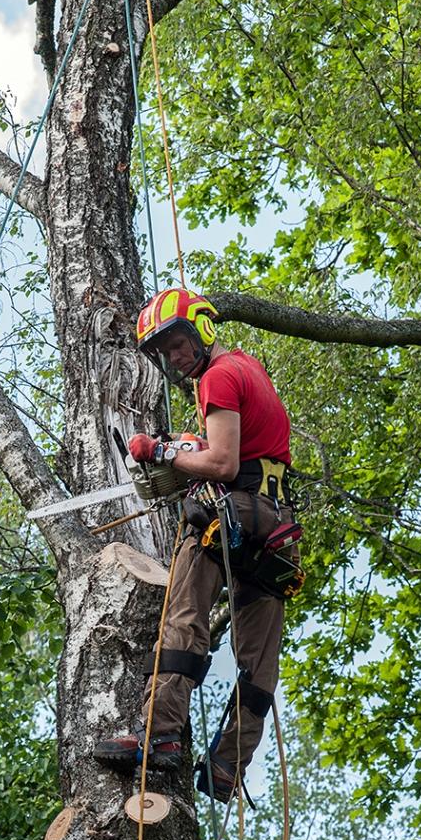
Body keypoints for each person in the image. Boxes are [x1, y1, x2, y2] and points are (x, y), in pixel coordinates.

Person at [93, 287, 300, 803]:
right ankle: (229, 765)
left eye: (179, 343)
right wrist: (195, 447)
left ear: (202, 330)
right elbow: (240, 448)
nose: (175, 357)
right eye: (165, 352)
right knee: (259, 660)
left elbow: (225, 466)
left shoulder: (218, 376)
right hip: (276, 524)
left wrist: (163, 449)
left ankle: (159, 731)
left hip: (232, 512)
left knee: (183, 617)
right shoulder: (246, 366)